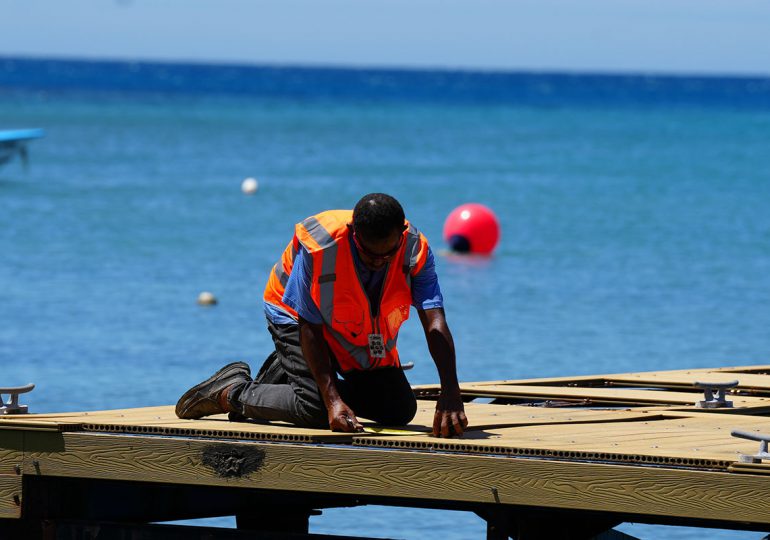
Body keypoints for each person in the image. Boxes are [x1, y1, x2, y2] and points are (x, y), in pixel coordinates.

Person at [175, 193, 468, 437]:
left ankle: (286, 372)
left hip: (352, 325)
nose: (379, 263)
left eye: (387, 255)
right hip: (294, 316)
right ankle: (231, 391)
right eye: (370, 255)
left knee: (397, 409)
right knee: (315, 410)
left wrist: (451, 392)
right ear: (355, 234)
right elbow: (310, 325)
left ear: (400, 235)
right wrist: (332, 402)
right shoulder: (319, 247)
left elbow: (435, 322)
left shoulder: (416, 249)